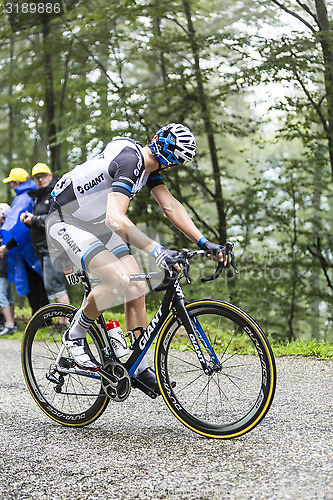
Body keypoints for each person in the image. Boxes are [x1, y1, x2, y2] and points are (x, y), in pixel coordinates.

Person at [47, 123, 224, 393]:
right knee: (118, 280)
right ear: (173, 164)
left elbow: (170, 206)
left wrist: (204, 242)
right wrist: (157, 249)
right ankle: (75, 334)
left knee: (137, 285)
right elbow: (115, 218)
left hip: (96, 224)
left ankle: (137, 366)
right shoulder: (130, 162)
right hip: (66, 220)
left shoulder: (147, 166)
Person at [20, 163, 70, 312]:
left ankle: (65, 323)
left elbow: (56, 219)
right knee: (52, 287)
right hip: (42, 248)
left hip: (54, 247)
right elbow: (42, 220)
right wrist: (29, 220)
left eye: (42, 176)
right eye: (36, 177)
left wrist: (33, 219)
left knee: (55, 285)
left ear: (50, 176)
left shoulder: (56, 193)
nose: (40, 180)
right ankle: (62, 322)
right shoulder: (38, 197)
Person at [0, 168, 49, 315]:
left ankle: (41, 320)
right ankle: (44, 318)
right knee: (40, 284)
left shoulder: (22, 198)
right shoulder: (33, 194)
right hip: (37, 246)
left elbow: (17, 228)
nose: (11, 187)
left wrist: (6, 246)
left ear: (16, 183)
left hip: (27, 249)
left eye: (11, 183)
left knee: (34, 286)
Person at [0, 203, 16, 336]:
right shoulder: (10, 231)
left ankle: (9, 324)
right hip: (9, 269)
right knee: (9, 297)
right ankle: (12, 324)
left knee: (2, 297)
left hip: (3, 270)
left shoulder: (3, 231)